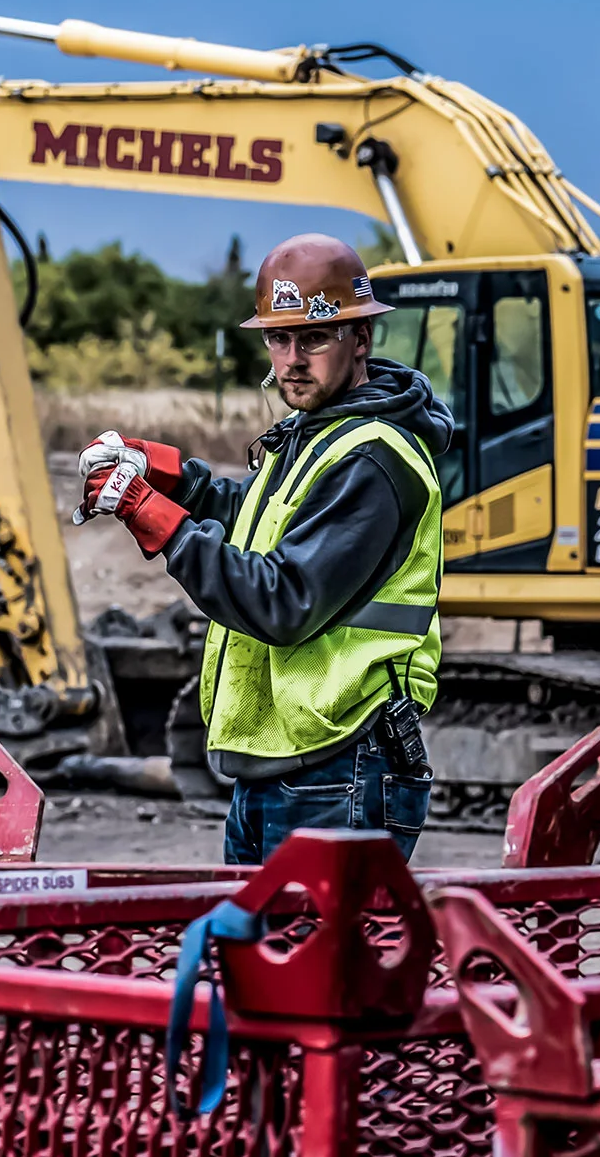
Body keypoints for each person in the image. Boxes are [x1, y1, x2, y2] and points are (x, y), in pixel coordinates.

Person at [78, 234, 451, 864]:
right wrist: (168, 476)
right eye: (279, 339)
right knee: (255, 960)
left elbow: (282, 599)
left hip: (340, 765)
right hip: (285, 762)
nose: (292, 359)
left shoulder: (373, 458)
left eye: (315, 338)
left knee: (304, 961)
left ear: (360, 338)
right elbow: (253, 519)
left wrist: (153, 517)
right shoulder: (315, 437)